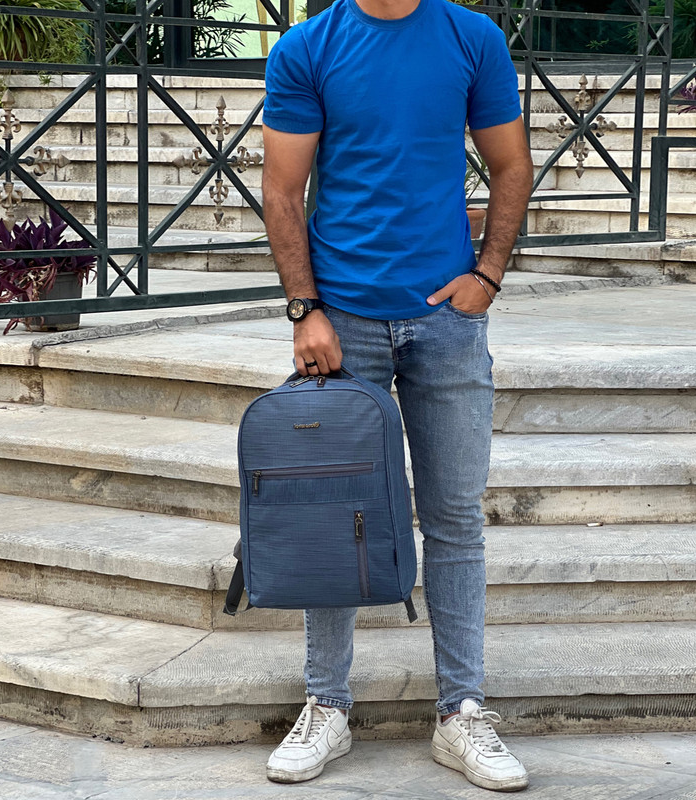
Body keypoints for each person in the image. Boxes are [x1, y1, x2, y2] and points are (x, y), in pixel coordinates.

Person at [260, 0, 533, 790]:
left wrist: (488, 275)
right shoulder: (308, 47)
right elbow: (282, 189)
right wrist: (305, 310)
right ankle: (327, 703)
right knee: (331, 511)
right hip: (342, 319)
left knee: (454, 516)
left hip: (447, 321)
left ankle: (461, 712)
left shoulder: (471, 37)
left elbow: (512, 164)